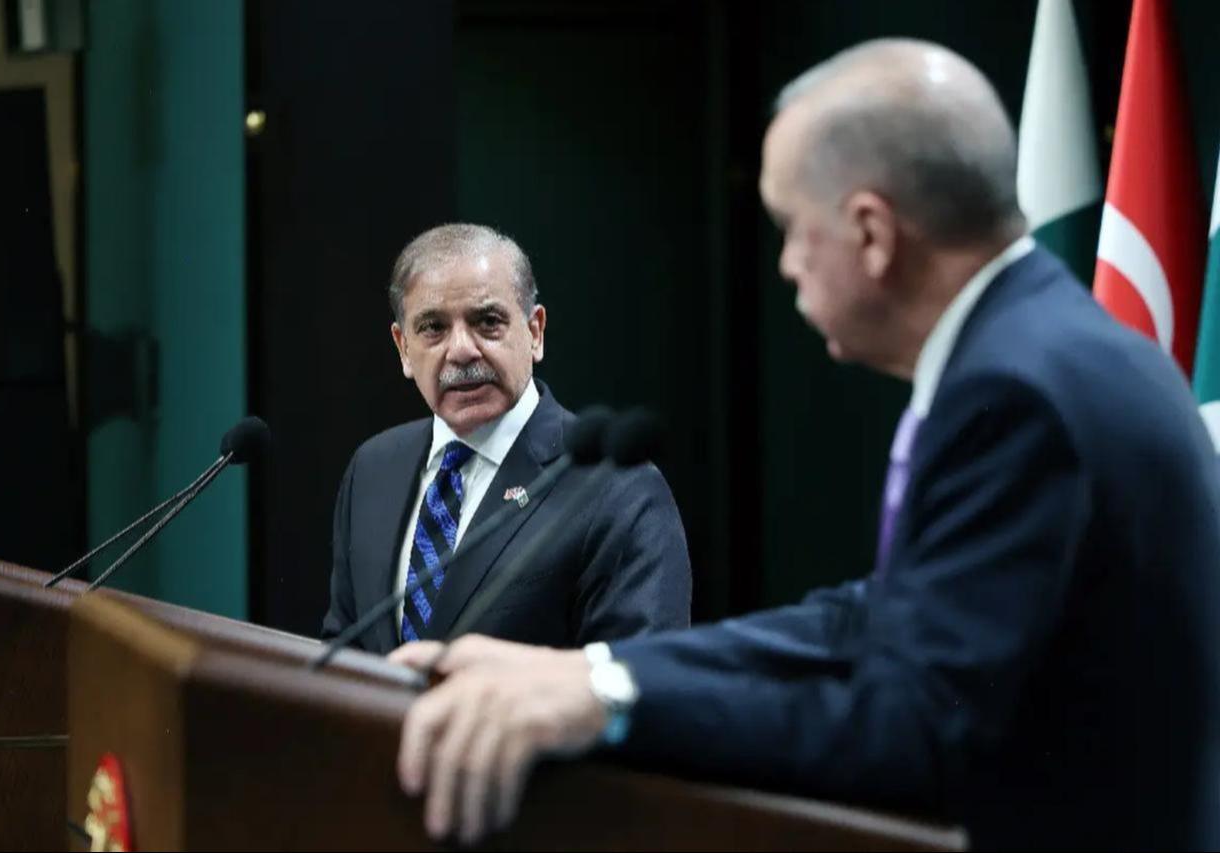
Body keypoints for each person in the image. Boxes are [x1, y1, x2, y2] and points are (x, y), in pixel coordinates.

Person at [387, 41, 1220, 849]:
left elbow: (910, 725)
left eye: (791, 227)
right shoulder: (1046, 347)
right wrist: (597, 669)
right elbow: (876, 617)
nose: (785, 265)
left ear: (871, 232)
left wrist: (605, 704)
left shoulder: (1013, 391)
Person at [321, 223, 691, 655]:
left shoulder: (618, 488)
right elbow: (341, 649)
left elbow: (636, 684)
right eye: (433, 328)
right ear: (403, 348)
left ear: (535, 332)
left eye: (487, 322)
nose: (461, 350)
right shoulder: (373, 469)